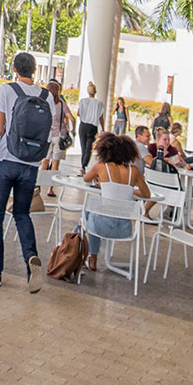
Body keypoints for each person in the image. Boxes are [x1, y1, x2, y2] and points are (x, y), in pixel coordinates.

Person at [0, 50, 50, 292]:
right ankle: (31, 261)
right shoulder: (46, 96)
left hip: (7, 160)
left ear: (15, 70)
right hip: (31, 165)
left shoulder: (7, 91)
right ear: (34, 70)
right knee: (22, 214)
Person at [82, 132, 151, 270]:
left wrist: (103, 182)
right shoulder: (134, 171)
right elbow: (146, 195)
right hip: (124, 230)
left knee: (88, 212)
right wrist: (129, 189)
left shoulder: (100, 167)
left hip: (102, 227)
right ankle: (89, 256)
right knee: (91, 213)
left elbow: (86, 179)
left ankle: (85, 254)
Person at [43, 79, 72, 171]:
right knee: (55, 163)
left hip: (46, 135)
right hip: (59, 135)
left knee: (44, 161)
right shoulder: (62, 104)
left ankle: (39, 183)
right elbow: (72, 118)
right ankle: (50, 185)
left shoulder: (44, 103)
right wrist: (71, 129)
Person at [75, 81, 103, 169]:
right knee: (88, 148)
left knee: (83, 147)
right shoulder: (99, 103)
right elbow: (100, 117)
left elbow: (78, 113)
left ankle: (82, 165)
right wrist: (103, 128)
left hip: (83, 125)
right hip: (92, 127)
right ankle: (84, 165)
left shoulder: (83, 101)